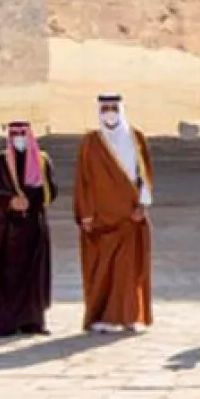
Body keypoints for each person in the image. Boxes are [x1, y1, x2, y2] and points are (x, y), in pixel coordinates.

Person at [73, 94, 154, 334]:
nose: (110, 113)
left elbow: (145, 174)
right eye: (105, 108)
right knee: (102, 270)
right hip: (100, 219)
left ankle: (129, 316)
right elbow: (83, 180)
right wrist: (85, 214)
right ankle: (102, 317)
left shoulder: (135, 137)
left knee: (129, 270)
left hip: (130, 216)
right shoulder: (90, 142)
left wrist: (143, 205)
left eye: (113, 108)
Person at [0, 120, 56, 336]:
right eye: (14, 134)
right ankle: (6, 324)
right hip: (8, 232)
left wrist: (33, 200)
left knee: (34, 275)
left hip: (33, 227)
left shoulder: (41, 161)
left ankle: (33, 322)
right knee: (7, 276)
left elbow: (51, 192)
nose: (19, 138)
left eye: (22, 133)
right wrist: (9, 201)